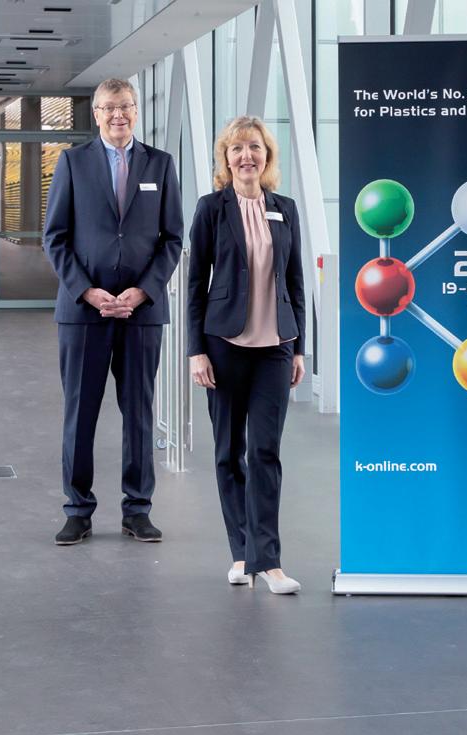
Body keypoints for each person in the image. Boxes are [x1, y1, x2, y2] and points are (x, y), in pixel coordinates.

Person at [44, 78, 183, 545]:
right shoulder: (72, 162)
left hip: (141, 313)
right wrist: (86, 291)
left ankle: (137, 510)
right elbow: (55, 237)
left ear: (136, 111)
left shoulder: (160, 164)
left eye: (125, 106)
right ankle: (77, 510)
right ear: (97, 114)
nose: (118, 114)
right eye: (109, 107)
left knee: (139, 413)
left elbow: (172, 239)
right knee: (80, 412)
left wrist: (144, 291)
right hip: (84, 313)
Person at [187, 116, 306, 595]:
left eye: (254, 147)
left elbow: (295, 281)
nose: (246, 156)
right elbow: (195, 283)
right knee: (228, 452)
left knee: (265, 452)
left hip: (275, 347)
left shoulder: (285, 208)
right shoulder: (211, 208)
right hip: (224, 345)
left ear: (267, 155)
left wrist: (299, 348)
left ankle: (269, 561)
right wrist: (196, 350)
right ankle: (241, 553)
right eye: (236, 149)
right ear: (226, 158)